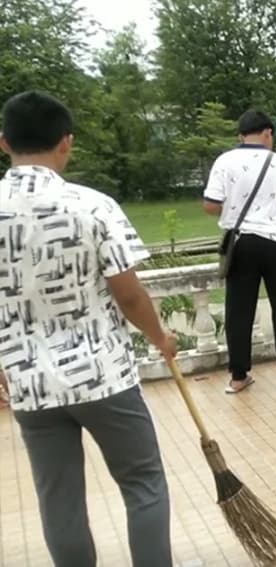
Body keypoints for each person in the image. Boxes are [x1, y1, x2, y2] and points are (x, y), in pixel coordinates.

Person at [0, 91, 176, 566]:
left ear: (3, 142)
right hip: (104, 375)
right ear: (66, 143)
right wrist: (160, 337)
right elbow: (129, 293)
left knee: (59, 501)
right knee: (143, 484)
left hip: (30, 383)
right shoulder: (92, 205)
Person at [203, 110, 276, 394]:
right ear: (268, 133)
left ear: (241, 135)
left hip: (240, 244)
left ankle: (238, 376)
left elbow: (210, 206)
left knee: (238, 310)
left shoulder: (224, 162)